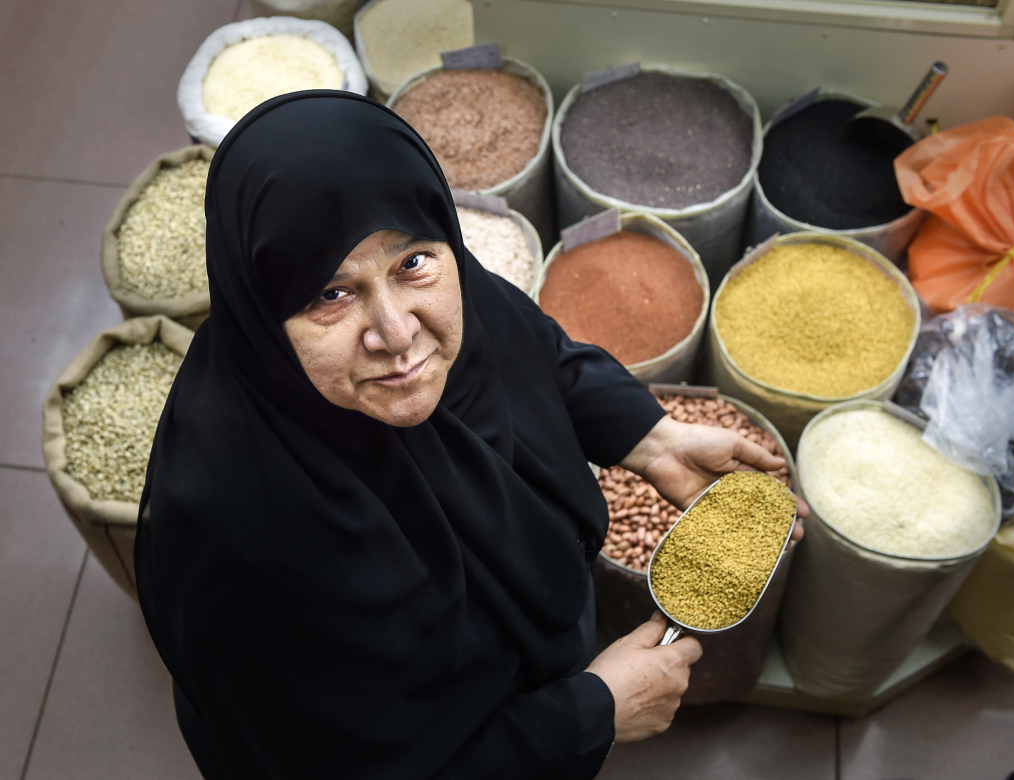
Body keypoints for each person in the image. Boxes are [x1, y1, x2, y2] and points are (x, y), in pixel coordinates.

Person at [135, 91, 803, 780]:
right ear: (259, 310)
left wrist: (649, 437)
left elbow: (526, 346)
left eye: (411, 264)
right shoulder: (237, 543)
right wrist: (590, 715)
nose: (397, 335)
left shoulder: (448, 280)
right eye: (329, 295)